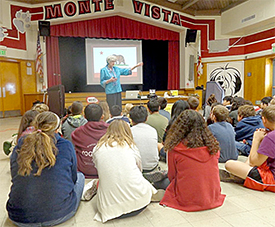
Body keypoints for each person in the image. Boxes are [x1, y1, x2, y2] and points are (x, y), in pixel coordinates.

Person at [6, 111, 85, 226]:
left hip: (18, 217)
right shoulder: (65, 145)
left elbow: (15, 175)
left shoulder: (21, 144)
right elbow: (73, 178)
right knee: (80, 177)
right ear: (57, 129)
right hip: (59, 214)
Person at [90, 120, 157, 223]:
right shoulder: (131, 147)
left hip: (109, 210)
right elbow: (139, 169)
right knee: (141, 179)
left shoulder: (97, 148)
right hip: (140, 204)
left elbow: (100, 169)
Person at [160, 110, 225, 211]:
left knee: (162, 181)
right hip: (211, 195)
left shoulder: (175, 149)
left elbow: (172, 176)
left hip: (186, 198)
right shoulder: (213, 145)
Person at [222, 105, 275, 192]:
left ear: (264, 119)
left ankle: (243, 175)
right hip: (269, 167)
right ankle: (243, 174)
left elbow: (255, 162)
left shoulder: (270, 137)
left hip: (271, 179)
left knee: (229, 164)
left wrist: (256, 139)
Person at [71, 104, 108, 178]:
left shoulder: (77, 132)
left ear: (84, 116)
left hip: (83, 173)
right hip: (105, 172)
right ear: (102, 116)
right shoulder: (110, 130)